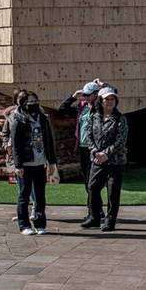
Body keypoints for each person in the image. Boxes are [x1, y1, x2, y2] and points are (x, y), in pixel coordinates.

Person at [3, 92, 57, 235]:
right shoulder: (18, 119)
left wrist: (51, 162)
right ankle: (24, 225)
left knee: (40, 195)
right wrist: (18, 165)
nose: (33, 104)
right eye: (30, 101)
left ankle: (40, 224)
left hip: (40, 162)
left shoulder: (43, 118)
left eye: (35, 100)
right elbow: (16, 144)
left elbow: (49, 140)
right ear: (23, 103)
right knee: (24, 195)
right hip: (25, 164)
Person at [83, 86, 128, 232]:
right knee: (92, 187)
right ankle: (94, 217)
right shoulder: (94, 117)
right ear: (100, 101)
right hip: (97, 160)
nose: (110, 101)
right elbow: (89, 136)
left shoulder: (120, 118)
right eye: (107, 99)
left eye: (112, 99)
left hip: (115, 161)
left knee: (112, 192)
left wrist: (106, 154)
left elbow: (120, 140)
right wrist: (96, 152)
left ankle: (110, 220)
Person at [58, 80, 102, 223]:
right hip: (83, 148)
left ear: (96, 95)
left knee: (92, 182)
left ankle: (93, 212)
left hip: (94, 149)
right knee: (88, 181)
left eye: (88, 95)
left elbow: (113, 94)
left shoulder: (100, 108)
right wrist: (73, 96)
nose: (86, 97)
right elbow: (62, 109)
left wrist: (103, 86)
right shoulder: (81, 108)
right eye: (85, 94)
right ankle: (97, 210)